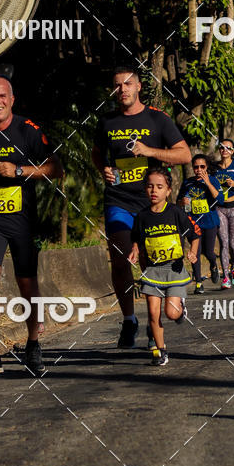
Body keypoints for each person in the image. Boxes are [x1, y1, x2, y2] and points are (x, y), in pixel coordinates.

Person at [0, 75, 63, 374]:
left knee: (26, 283)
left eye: (3, 96)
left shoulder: (27, 130)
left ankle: (33, 345)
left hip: (23, 220)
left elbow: (56, 168)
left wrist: (19, 170)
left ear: (12, 99)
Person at [92, 67, 191, 349]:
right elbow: (97, 153)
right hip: (119, 200)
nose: (122, 89)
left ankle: (153, 324)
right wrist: (104, 170)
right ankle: (129, 319)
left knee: (151, 263)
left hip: (152, 203)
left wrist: (149, 151)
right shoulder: (107, 121)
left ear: (138, 87)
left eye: (128, 84)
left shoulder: (157, 119)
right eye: (117, 85)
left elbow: (184, 154)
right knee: (120, 257)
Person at [129, 168, 200, 366]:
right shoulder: (142, 216)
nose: (154, 190)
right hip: (152, 270)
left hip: (174, 269)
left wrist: (193, 252)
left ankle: (180, 308)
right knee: (153, 313)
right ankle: (161, 351)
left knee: (171, 313)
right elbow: (136, 239)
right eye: (150, 186)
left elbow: (194, 236)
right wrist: (135, 251)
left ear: (168, 191)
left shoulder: (175, 212)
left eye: (159, 187)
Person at [178, 153, 223, 293]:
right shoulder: (187, 183)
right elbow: (178, 202)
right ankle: (198, 283)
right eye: (196, 167)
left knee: (208, 252)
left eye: (202, 167)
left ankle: (213, 264)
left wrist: (207, 182)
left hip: (209, 221)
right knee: (195, 253)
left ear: (207, 167)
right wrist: (182, 202)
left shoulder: (213, 180)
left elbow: (220, 200)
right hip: (193, 222)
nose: (199, 170)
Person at [214, 138, 234, 289]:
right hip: (219, 208)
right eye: (222, 147)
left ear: (232, 151)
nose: (224, 150)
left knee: (232, 243)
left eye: (228, 148)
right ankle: (225, 276)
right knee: (223, 242)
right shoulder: (214, 168)